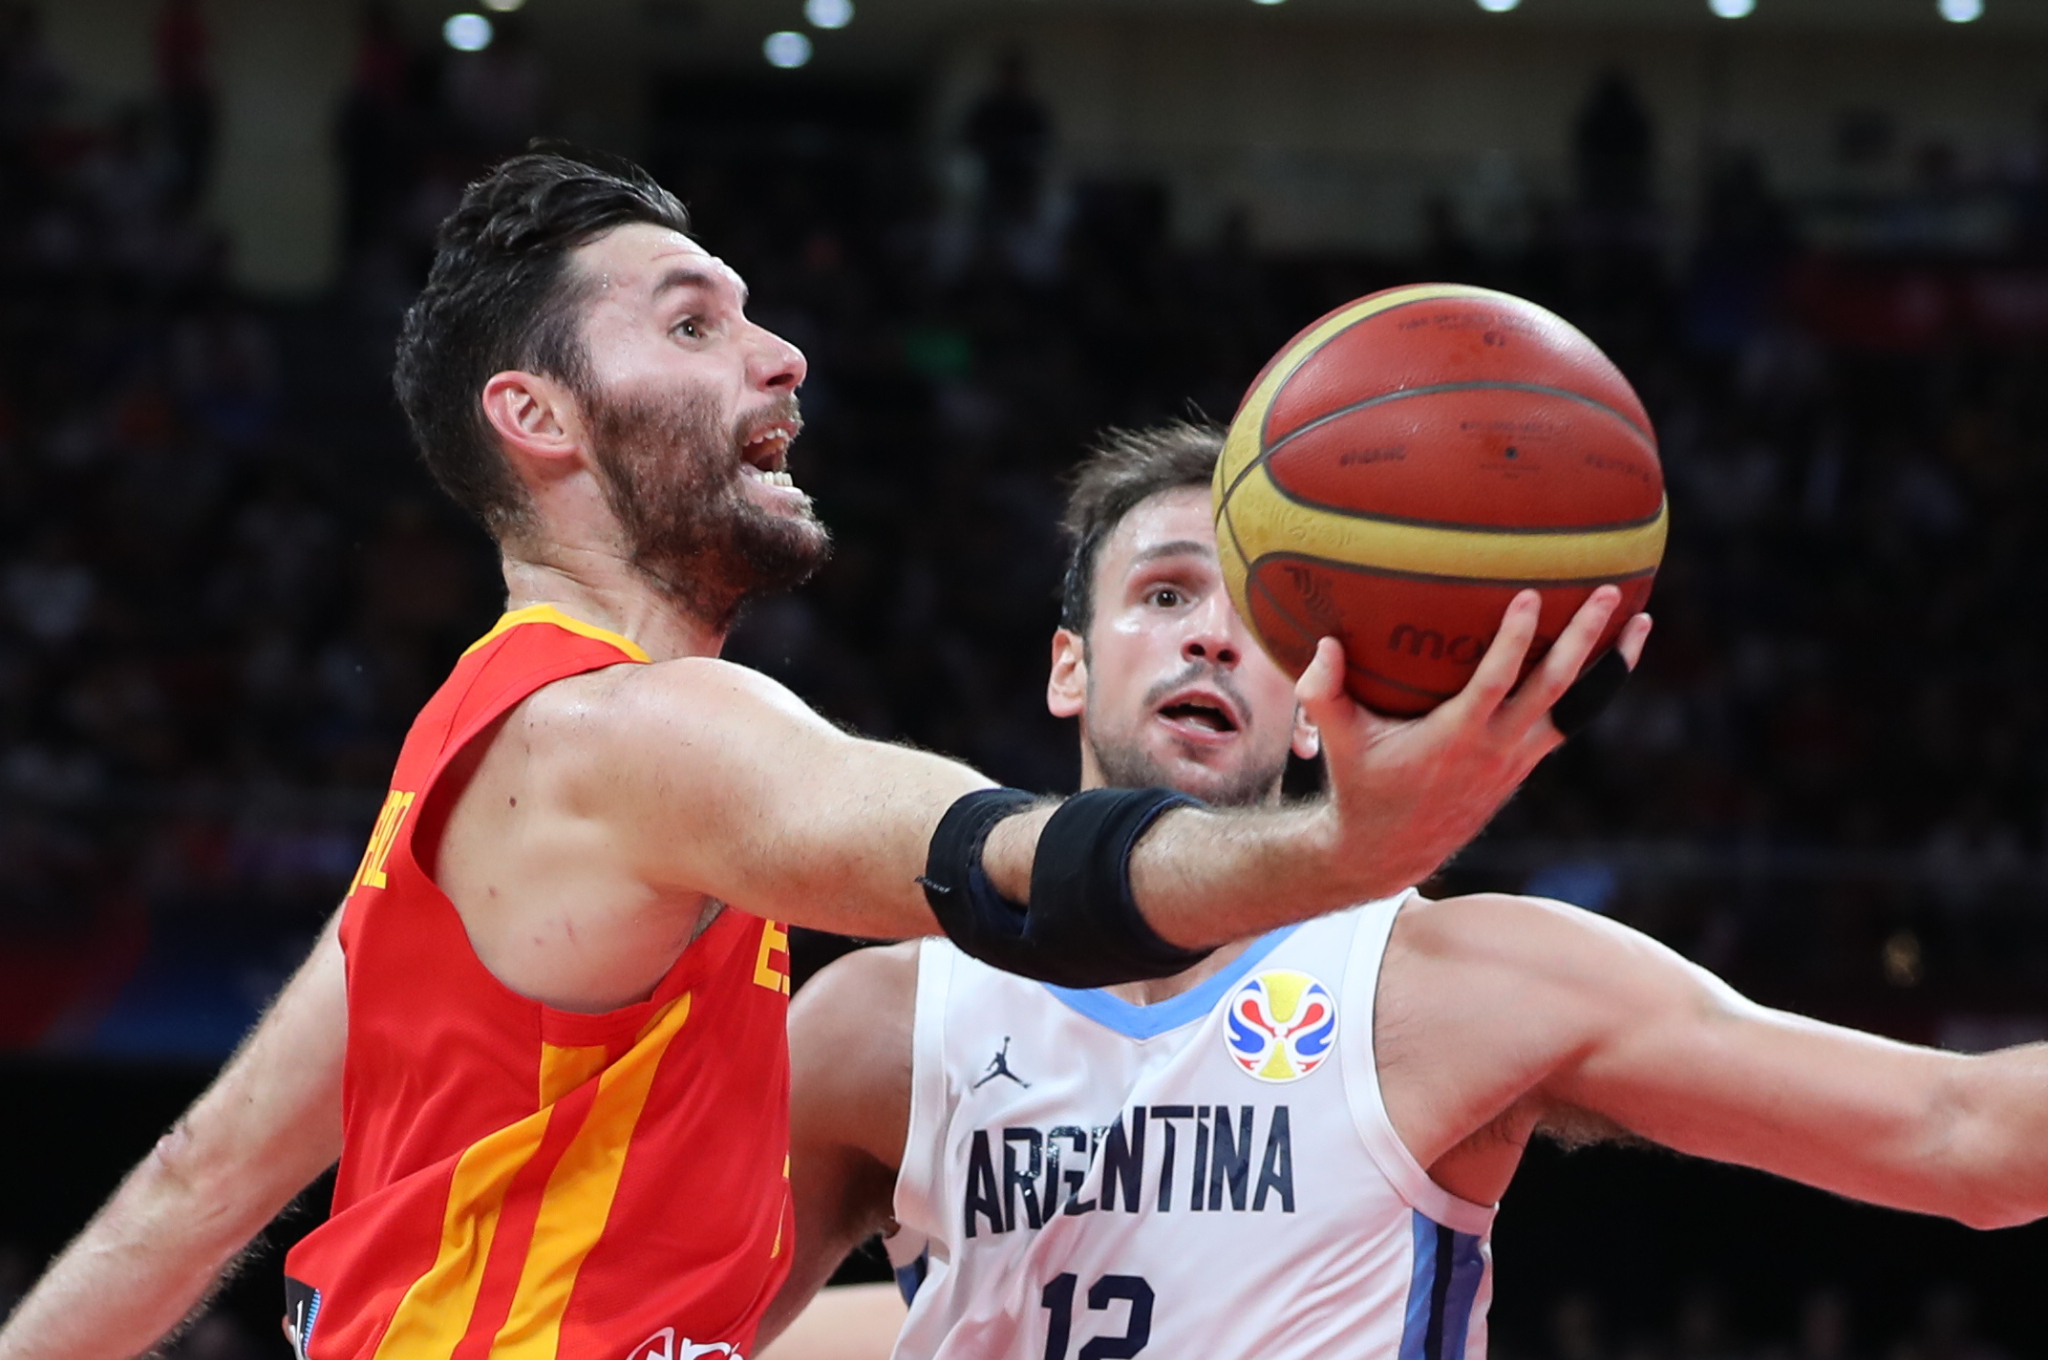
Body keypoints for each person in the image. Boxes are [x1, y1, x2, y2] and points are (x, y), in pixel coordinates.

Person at [0, 149, 1630, 1360]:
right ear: (539, 418)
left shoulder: (465, 771)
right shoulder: (644, 732)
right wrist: (1345, 846)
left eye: (760, 319)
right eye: (694, 321)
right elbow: (1009, 868)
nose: (779, 357)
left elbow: (198, 1181)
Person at [757, 421, 2048, 1360]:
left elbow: (1963, 1134)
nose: (1210, 633)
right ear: (1070, 669)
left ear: (1316, 707)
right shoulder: (880, 1023)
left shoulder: (1457, 985)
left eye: (1259, 620)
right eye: (1161, 594)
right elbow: (655, 1329)